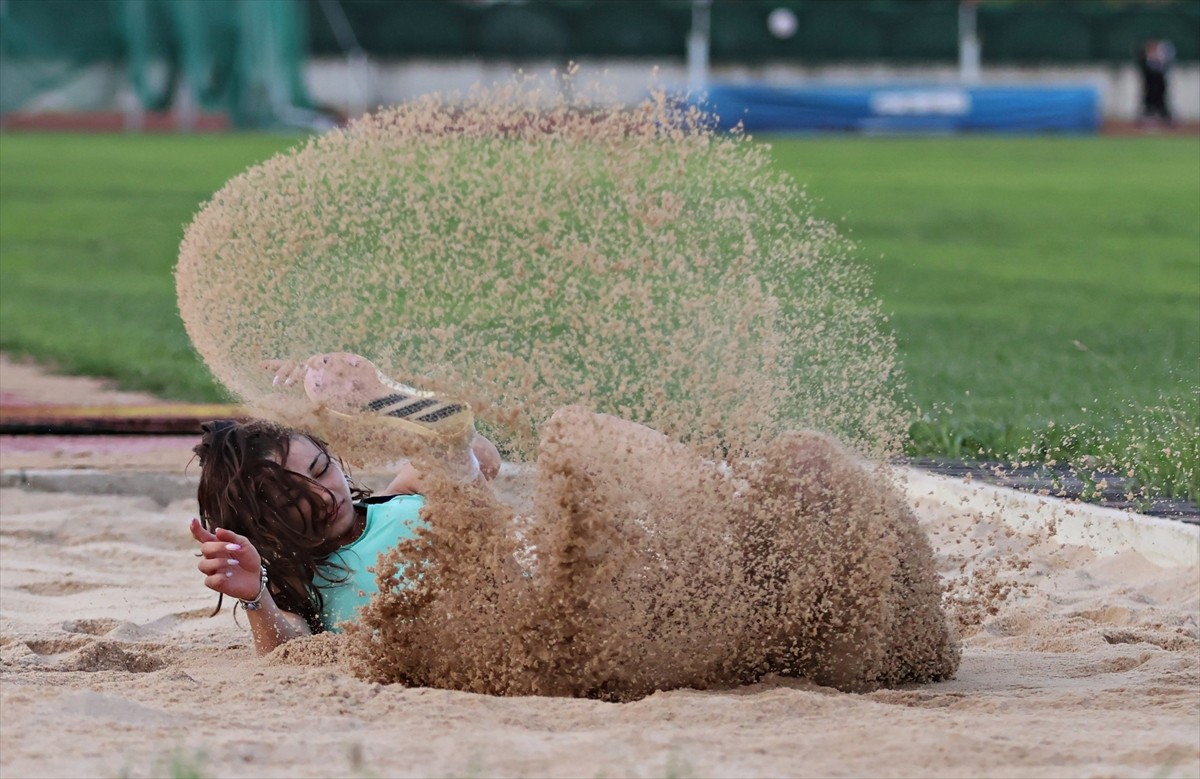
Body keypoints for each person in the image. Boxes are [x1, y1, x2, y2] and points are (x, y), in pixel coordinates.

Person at [190, 352, 959, 693]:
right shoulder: (310, 596)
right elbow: (289, 655)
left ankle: (897, 626)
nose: (326, 498)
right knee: (574, 449)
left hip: (610, 588)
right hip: (563, 636)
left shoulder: (402, 488)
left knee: (807, 465)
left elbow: (464, 446)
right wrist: (256, 596)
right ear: (272, 534)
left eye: (320, 470)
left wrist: (384, 391)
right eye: (300, 505)